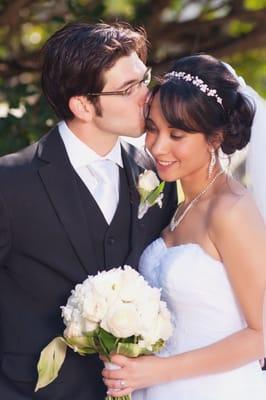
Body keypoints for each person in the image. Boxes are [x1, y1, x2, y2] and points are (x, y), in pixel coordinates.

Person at [0, 22, 177, 400]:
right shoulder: (10, 182)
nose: (147, 96)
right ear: (82, 105)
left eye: (143, 79)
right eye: (129, 89)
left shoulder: (158, 174)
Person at [102, 54, 266, 400]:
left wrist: (161, 369)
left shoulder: (231, 211)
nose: (157, 147)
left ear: (215, 138)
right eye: (152, 129)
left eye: (176, 135)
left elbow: (261, 334)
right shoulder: (177, 204)